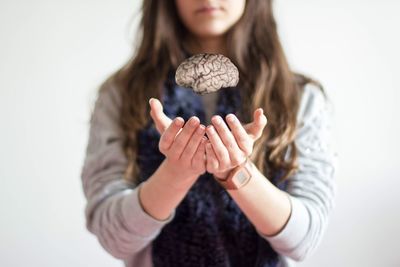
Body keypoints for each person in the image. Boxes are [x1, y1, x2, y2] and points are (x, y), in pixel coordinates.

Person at [81, 0, 337, 266]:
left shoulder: (298, 97)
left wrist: (237, 173)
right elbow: (113, 236)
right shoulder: (121, 97)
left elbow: (305, 239)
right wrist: (177, 173)